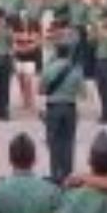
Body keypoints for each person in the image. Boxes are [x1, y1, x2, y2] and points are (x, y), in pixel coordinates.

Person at [41, 39, 85, 184]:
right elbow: (83, 94)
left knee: (53, 141)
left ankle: (55, 174)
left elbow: (41, 90)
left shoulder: (48, 68)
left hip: (53, 107)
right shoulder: (76, 70)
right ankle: (68, 174)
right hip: (70, 107)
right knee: (68, 141)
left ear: (56, 52)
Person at [13, 14, 42, 113]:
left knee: (28, 81)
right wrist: (21, 49)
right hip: (19, 59)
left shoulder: (35, 33)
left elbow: (36, 44)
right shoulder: (16, 32)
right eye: (22, 21)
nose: (24, 23)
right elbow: (13, 44)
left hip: (30, 59)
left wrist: (25, 49)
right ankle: (24, 100)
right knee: (20, 81)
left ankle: (30, 100)